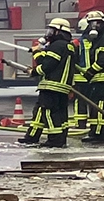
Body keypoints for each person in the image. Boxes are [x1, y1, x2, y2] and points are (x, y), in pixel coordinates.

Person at [24, 17, 77, 149]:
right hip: (62, 87)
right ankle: (32, 137)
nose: (49, 33)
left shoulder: (57, 45)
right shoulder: (68, 46)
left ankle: (55, 140)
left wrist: (35, 62)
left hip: (52, 85)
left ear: (59, 31)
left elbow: (47, 65)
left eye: (52, 30)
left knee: (49, 112)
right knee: (48, 112)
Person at [80, 11, 104, 146]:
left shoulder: (102, 40)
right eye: (91, 24)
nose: (94, 27)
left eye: (97, 23)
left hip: (102, 80)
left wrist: (89, 72)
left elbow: (102, 61)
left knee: (99, 105)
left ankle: (99, 133)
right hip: (98, 80)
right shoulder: (98, 39)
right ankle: (95, 131)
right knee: (95, 105)